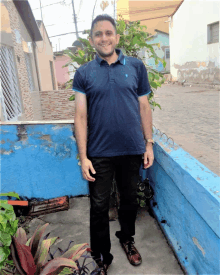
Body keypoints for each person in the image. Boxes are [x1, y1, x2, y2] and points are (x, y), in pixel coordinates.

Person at [73, 14, 154, 275]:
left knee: (129, 199)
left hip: (132, 149)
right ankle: (101, 255)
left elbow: (144, 106)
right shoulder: (84, 73)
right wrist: (84, 156)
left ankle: (126, 238)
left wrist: (149, 144)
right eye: (98, 34)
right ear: (91, 40)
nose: (104, 38)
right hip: (99, 153)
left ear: (117, 37)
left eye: (109, 33)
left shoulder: (136, 67)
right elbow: (81, 116)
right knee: (98, 206)